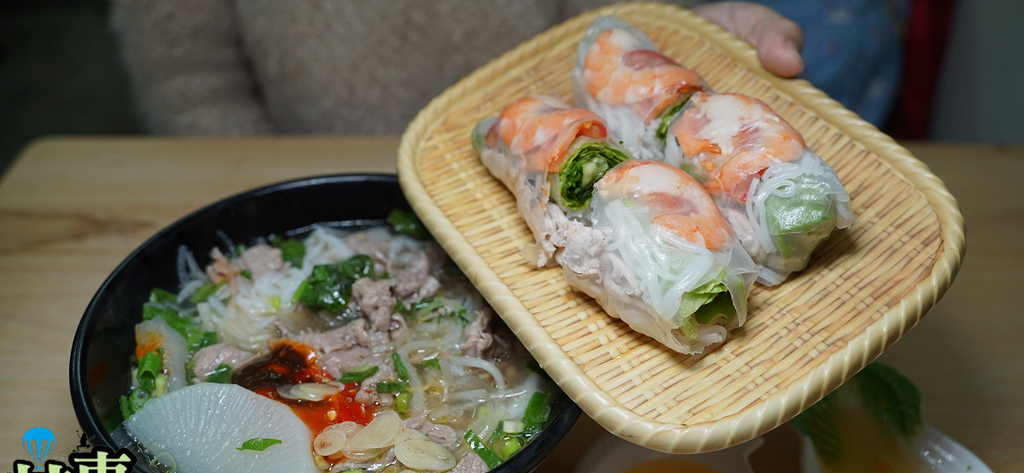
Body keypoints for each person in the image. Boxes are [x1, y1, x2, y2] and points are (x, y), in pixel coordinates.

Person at [107, 1, 815, 136]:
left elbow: (604, 19)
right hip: (315, 184)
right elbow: (189, 82)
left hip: (532, 186)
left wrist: (665, 41)